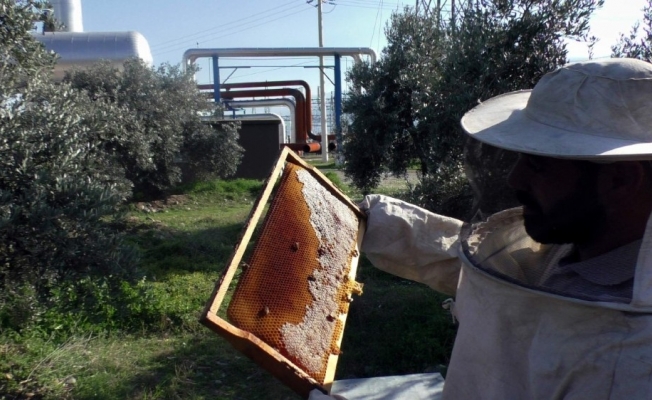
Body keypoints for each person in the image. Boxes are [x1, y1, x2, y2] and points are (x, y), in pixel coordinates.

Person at [310, 58, 652, 399]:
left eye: (537, 165)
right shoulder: (573, 246)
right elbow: (484, 269)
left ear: (620, 180)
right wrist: (371, 220)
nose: (515, 178)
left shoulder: (634, 364)